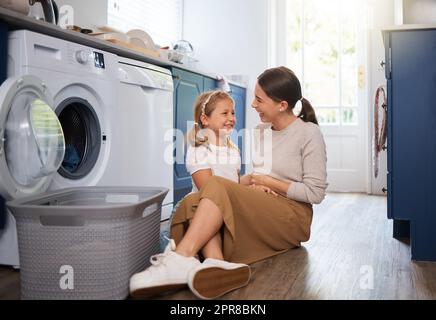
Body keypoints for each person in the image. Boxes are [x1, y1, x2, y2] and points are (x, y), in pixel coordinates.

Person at [130, 66, 328, 300]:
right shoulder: (261, 131)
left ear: (282, 105)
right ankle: (215, 265)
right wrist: (256, 184)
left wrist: (264, 181)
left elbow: (315, 193)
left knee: (212, 188)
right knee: (192, 201)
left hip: (292, 216)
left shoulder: (308, 134)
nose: (252, 105)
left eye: (259, 100)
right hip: (264, 205)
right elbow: (256, 180)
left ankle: (181, 259)